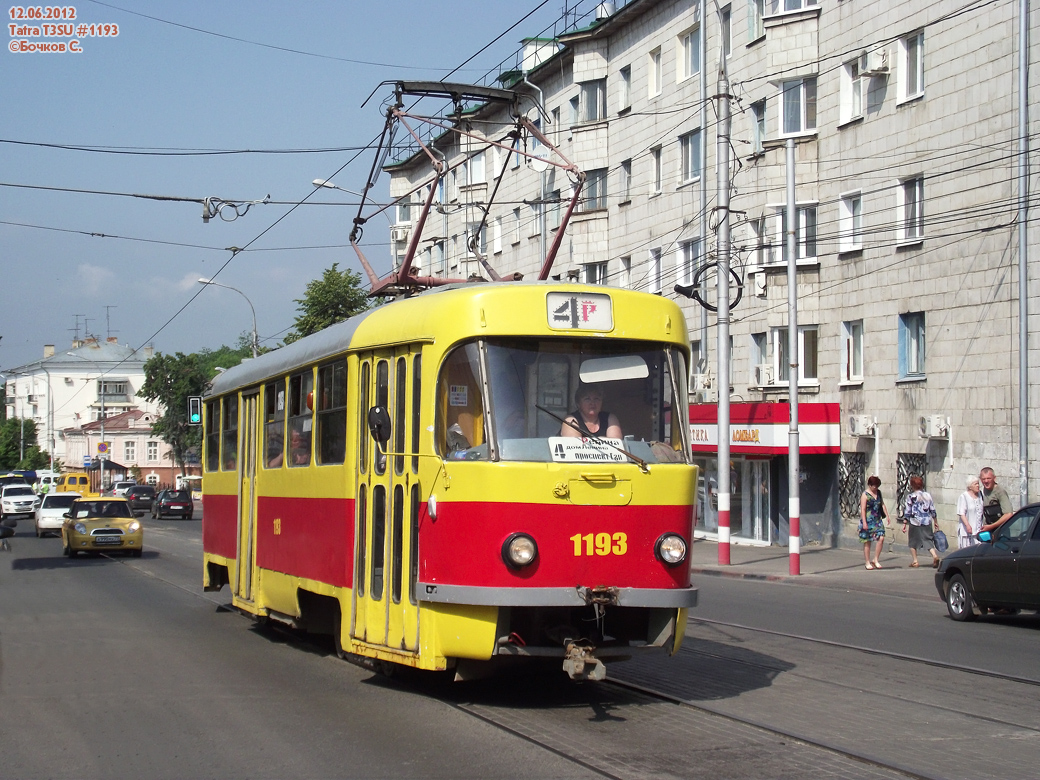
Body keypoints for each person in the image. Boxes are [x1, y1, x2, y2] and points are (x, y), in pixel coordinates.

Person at [902, 475, 940, 568]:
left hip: (915, 522)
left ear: (913, 485)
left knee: (913, 541)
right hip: (927, 521)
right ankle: (935, 555)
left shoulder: (911, 497)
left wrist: (905, 522)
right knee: (928, 539)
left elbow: (908, 511)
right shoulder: (927, 495)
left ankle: (915, 561)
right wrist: (935, 521)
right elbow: (932, 509)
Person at [859, 475, 890, 569]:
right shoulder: (865, 495)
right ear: (869, 485)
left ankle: (876, 559)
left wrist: (887, 516)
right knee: (868, 541)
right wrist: (864, 522)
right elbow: (863, 509)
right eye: (874, 486)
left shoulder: (879, 493)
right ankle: (867, 562)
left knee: (881, 538)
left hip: (877, 519)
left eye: (877, 486)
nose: (876, 488)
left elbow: (882, 504)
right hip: (868, 520)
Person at [979, 466, 1014, 533]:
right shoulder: (983, 490)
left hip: (1001, 531)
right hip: (987, 530)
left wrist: (992, 526)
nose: (986, 481)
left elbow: (1008, 514)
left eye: (988, 478)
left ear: (994, 478)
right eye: (983, 479)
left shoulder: (1000, 492)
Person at [956, 475, 983, 548]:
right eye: (975, 484)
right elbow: (961, 513)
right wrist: (967, 525)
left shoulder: (980, 495)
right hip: (967, 531)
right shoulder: (964, 496)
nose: (978, 486)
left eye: (978, 483)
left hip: (978, 531)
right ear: (970, 486)